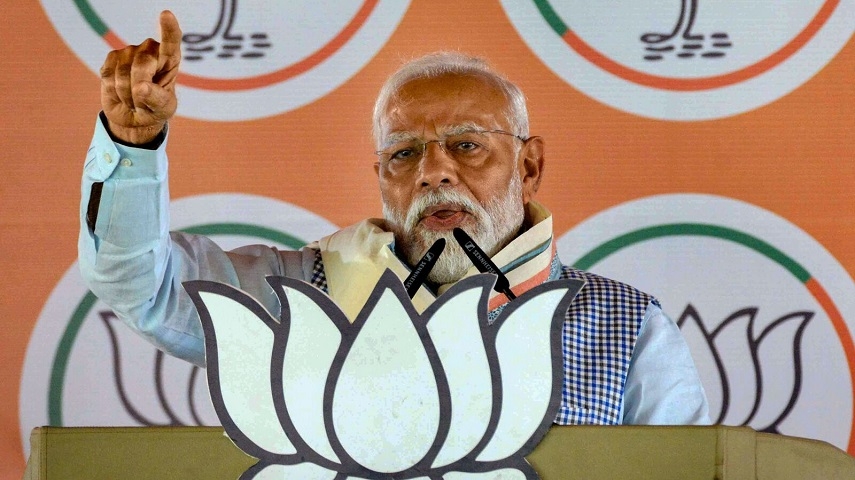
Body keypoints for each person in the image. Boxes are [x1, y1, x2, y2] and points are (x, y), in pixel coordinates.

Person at [79, 11, 709, 426]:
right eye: (404, 153)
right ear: (381, 176)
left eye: (467, 145)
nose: (433, 172)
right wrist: (132, 146)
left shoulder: (628, 332)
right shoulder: (306, 297)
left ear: (531, 166)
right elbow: (145, 285)